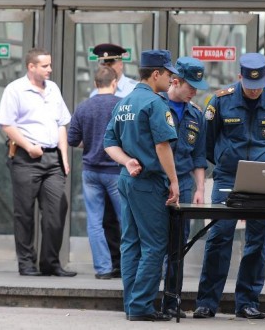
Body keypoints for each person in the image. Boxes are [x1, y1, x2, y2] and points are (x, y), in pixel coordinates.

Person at [193, 53, 265, 320]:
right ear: (240, 77)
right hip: (228, 176)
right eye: (249, 86)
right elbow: (208, 140)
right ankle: (206, 302)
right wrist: (227, 162)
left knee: (257, 240)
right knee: (218, 238)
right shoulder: (220, 99)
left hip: (264, 179)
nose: (254, 91)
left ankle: (247, 302)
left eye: (258, 86)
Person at [104, 49, 180, 322]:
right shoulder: (155, 104)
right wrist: (173, 181)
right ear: (156, 74)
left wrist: (126, 162)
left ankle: (131, 304)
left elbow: (109, 143)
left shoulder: (123, 103)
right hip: (148, 183)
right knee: (154, 245)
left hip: (127, 180)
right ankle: (140, 307)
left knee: (130, 244)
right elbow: (162, 145)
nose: (172, 79)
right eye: (169, 74)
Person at [0, 47, 77, 277]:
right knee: (24, 213)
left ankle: (50, 263)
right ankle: (27, 264)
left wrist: (64, 154)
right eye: (45, 66)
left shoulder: (53, 89)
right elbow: (6, 124)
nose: (50, 69)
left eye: (50, 65)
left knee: (56, 210)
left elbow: (61, 122)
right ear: (31, 67)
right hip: (26, 158)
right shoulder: (15, 90)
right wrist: (28, 146)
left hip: (53, 159)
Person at [160, 56, 209, 319]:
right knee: (154, 243)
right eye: (190, 86)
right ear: (175, 81)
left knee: (178, 245)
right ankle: (146, 299)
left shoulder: (196, 114)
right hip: (158, 183)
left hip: (185, 184)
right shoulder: (156, 105)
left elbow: (198, 157)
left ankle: (171, 299)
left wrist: (200, 188)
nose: (194, 92)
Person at [67, 66, 122, 280]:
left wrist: (90, 144)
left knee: (94, 221)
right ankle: (127, 266)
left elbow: (72, 139)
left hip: (90, 171)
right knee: (125, 219)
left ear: (95, 84)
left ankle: (103, 269)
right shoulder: (121, 105)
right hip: (115, 170)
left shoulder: (83, 107)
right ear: (115, 82)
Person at [91, 43, 138, 278]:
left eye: (112, 62)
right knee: (109, 218)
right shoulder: (96, 92)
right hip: (104, 163)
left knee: (128, 217)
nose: (108, 66)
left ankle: (130, 262)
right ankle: (115, 262)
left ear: (121, 63)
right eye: (104, 63)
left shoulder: (134, 89)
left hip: (127, 164)